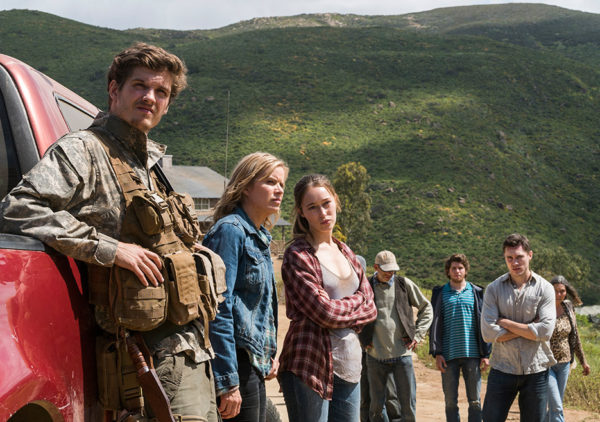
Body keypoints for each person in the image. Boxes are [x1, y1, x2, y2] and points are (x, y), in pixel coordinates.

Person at [0, 43, 219, 420]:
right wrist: (110, 249)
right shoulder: (85, 149)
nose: (150, 97)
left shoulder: (147, 163)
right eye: (139, 86)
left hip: (188, 350)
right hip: (145, 358)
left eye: (161, 92)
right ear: (114, 90)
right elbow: (20, 208)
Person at [278, 174, 377, 422]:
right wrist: (357, 302)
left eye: (326, 203)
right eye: (312, 207)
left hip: (350, 365)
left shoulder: (346, 251)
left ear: (336, 201)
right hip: (311, 363)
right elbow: (325, 312)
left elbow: (372, 308)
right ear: (301, 212)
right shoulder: (299, 255)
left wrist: (345, 307)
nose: (322, 212)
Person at [202, 152, 288, 421]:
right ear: (246, 186)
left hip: (252, 361)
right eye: (271, 182)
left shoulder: (260, 236)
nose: (279, 190)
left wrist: (268, 354)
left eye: (282, 184)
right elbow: (219, 307)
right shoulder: (230, 231)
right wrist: (227, 381)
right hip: (236, 361)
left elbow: (259, 308)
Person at [481, 233, 556, 422]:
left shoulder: (545, 288)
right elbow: (488, 333)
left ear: (530, 255)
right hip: (502, 367)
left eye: (519, 257)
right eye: (510, 258)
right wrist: (530, 329)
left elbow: (546, 331)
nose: (515, 262)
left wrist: (504, 322)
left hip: (536, 370)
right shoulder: (493, 289)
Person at [359, 250, 433, 422]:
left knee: (408, 408)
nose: (390, 273)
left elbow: (426, 308)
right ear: (376, 267)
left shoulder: (404, 284)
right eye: (386, 270)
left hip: (402, 356)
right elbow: (354, 314)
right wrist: (361, 338)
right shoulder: (366, 286)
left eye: (393, 270)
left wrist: (418, 335)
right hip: (375, 356)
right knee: (376, 409)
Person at [429, 253, 491, 422]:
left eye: (460, 268)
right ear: (448, 271)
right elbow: (434, 323)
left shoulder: (476, 292)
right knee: (450, 402)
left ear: (465, 270)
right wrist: (437, 353)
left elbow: (485, 323)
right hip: (448, 356)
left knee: (475, 401)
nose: (457, 271)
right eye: (454, 268)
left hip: (473, 355)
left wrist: (485, 354)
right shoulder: (440, 293)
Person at [545, 275, 591, 422]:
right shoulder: (543, 308)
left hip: (565, 363)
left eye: (562, 291)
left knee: (555, 405)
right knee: (557, 406)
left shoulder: (568, 307)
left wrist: (583, 361)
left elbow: (575, 336)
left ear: (566, 291)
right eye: (555, 291)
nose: (559, 294)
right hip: (546, 364)